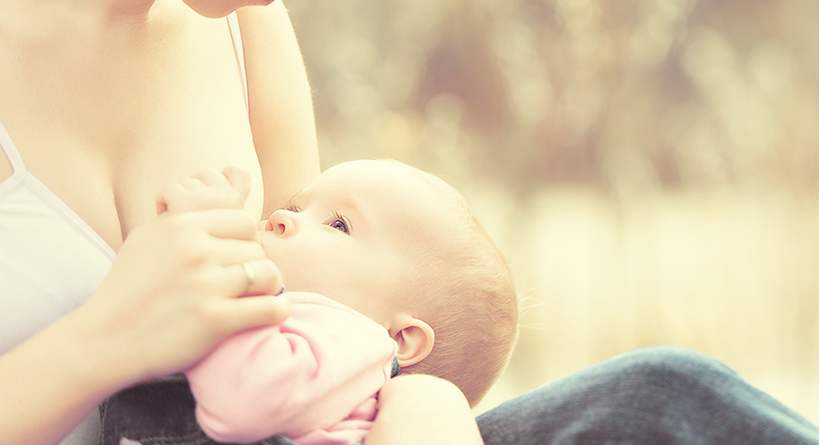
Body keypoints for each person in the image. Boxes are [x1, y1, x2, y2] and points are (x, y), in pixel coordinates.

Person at [0, 0, 819, 444]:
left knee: (660, 404)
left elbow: (327, 328)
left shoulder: (245, 33)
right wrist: (105, 340)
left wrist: (421, 404)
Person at [100, 160, 517, 445]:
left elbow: (247, 395)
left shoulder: (356, 338)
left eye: (338, 224)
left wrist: (226, 256)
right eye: (296, 205)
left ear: (401, 339)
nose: (284, 218)